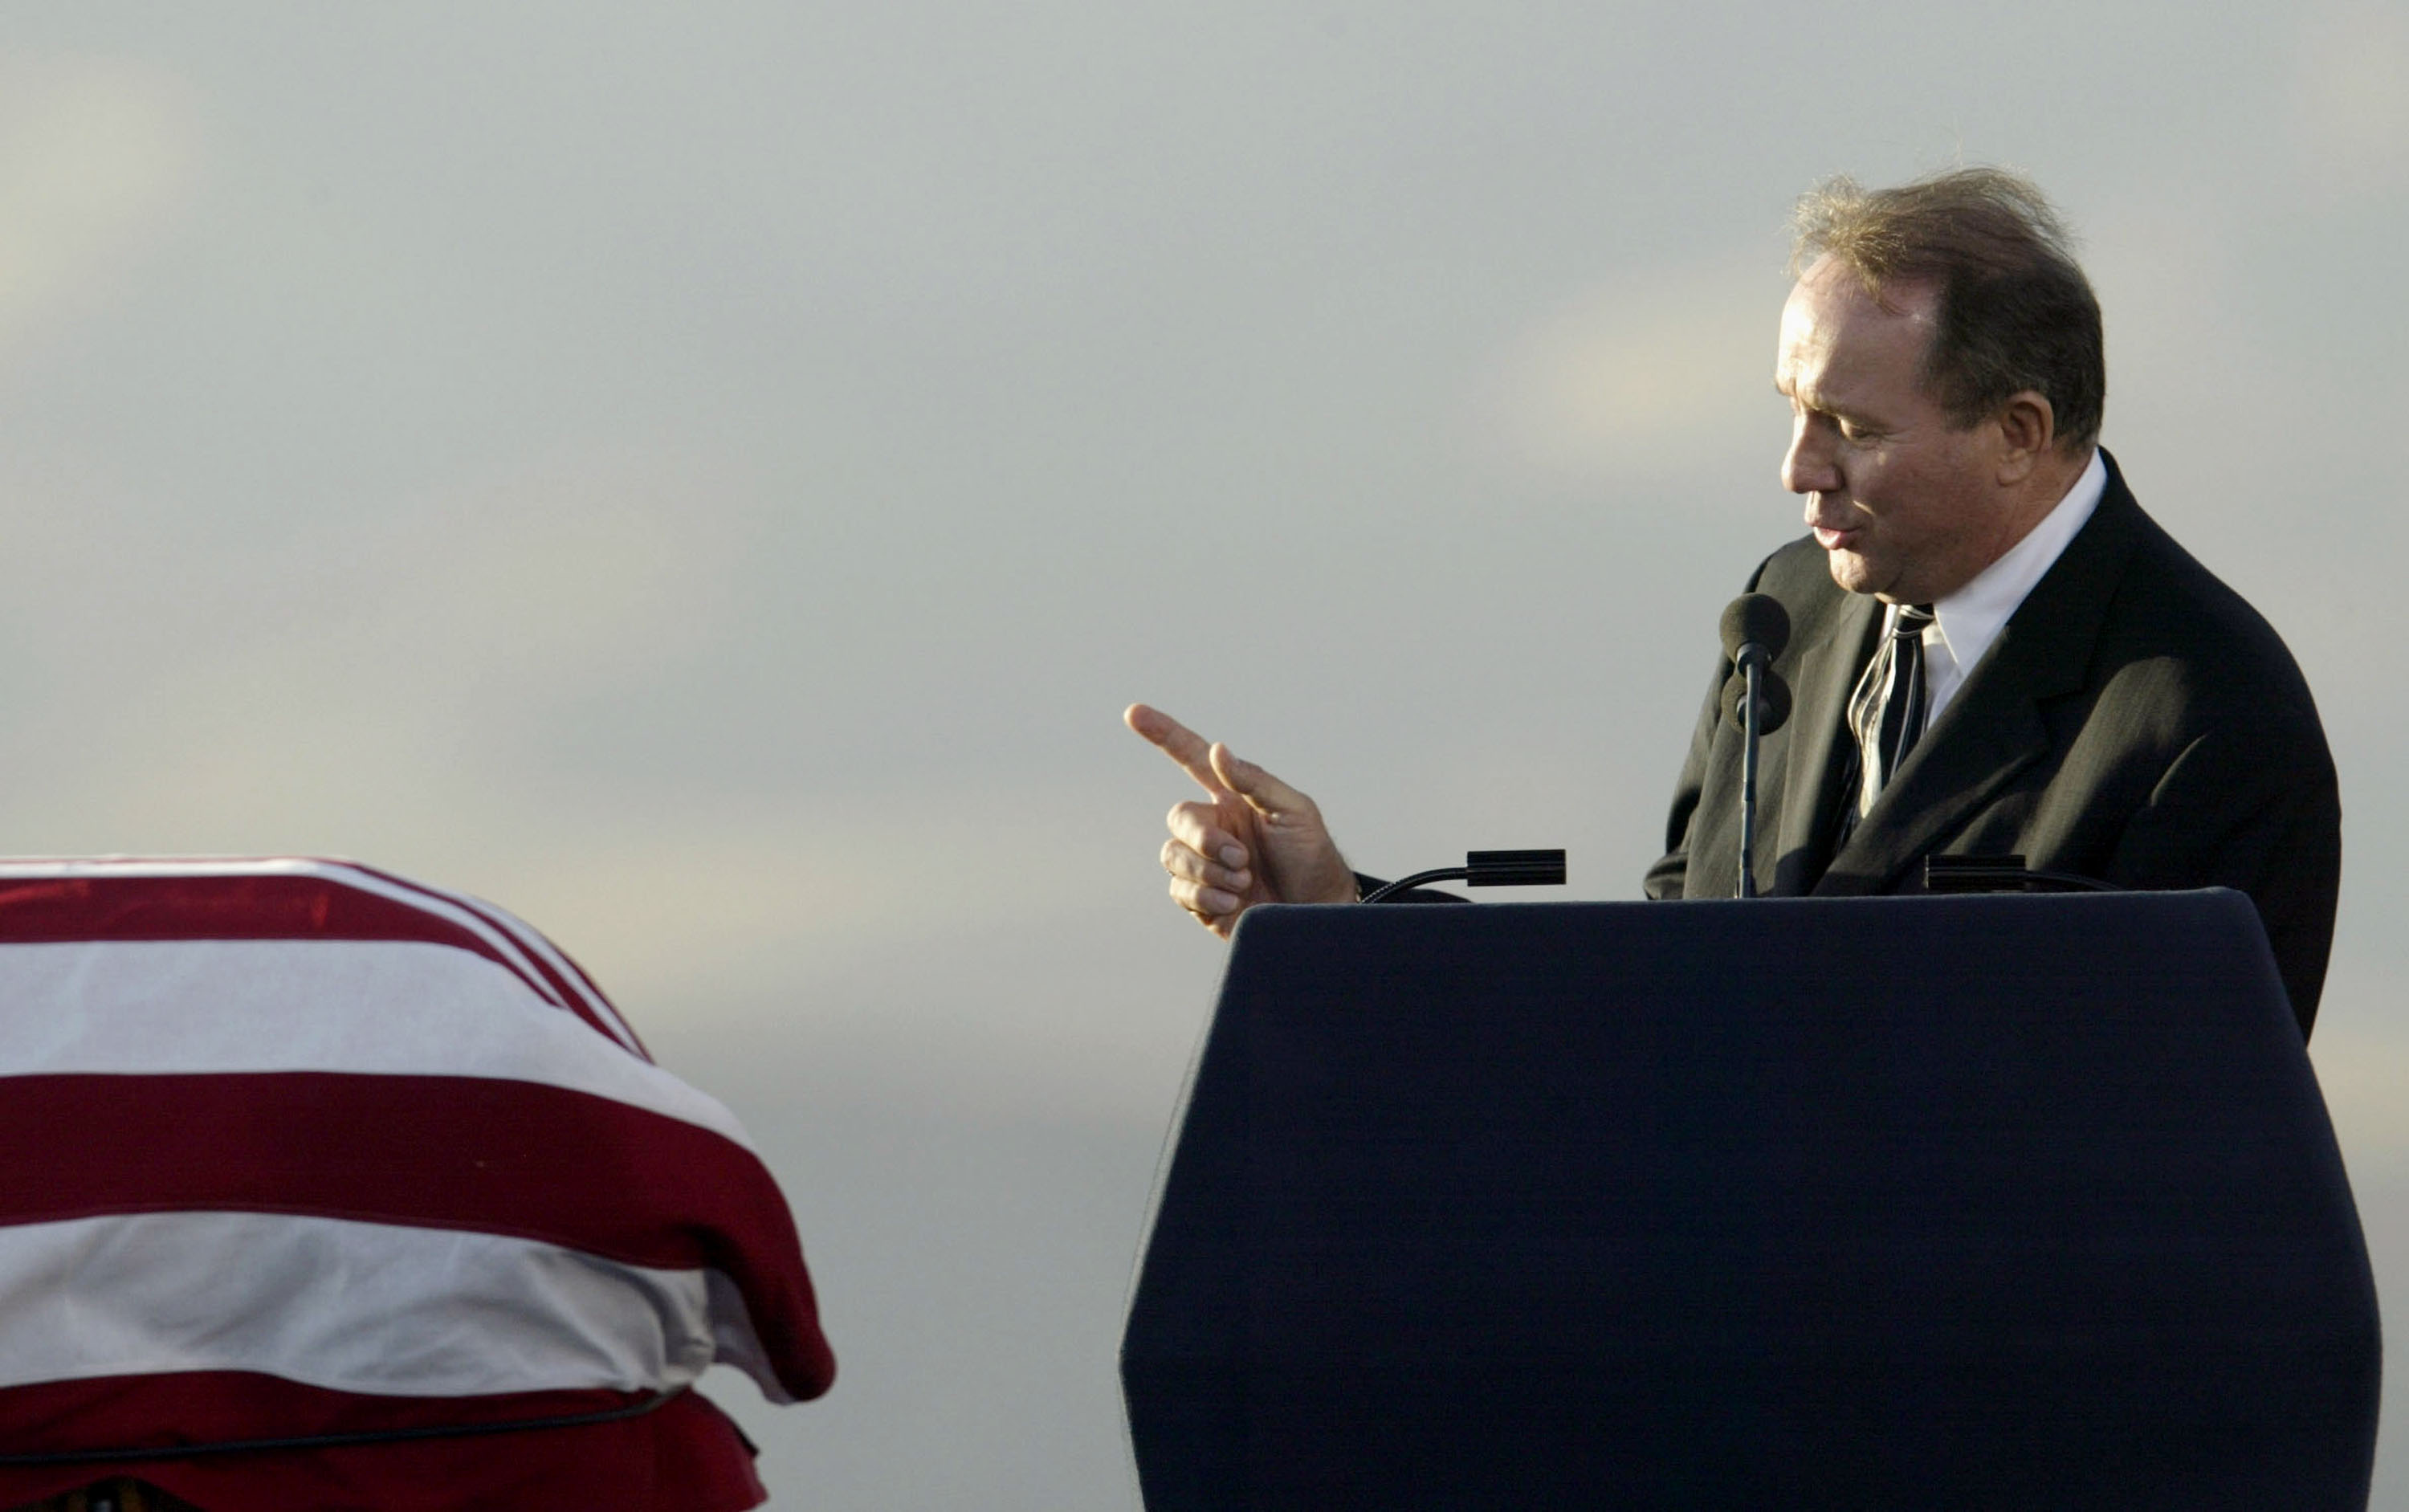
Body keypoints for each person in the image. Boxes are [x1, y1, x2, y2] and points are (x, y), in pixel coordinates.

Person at [1128, 167, 2340, 1036]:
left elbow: (2170, 1151)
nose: (1799, 471)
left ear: (2019, 434)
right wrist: (1339, 922)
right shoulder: (1790, 612)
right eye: (1794, 411)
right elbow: (1668, 998)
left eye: (1853, 430)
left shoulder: (2207, 717)